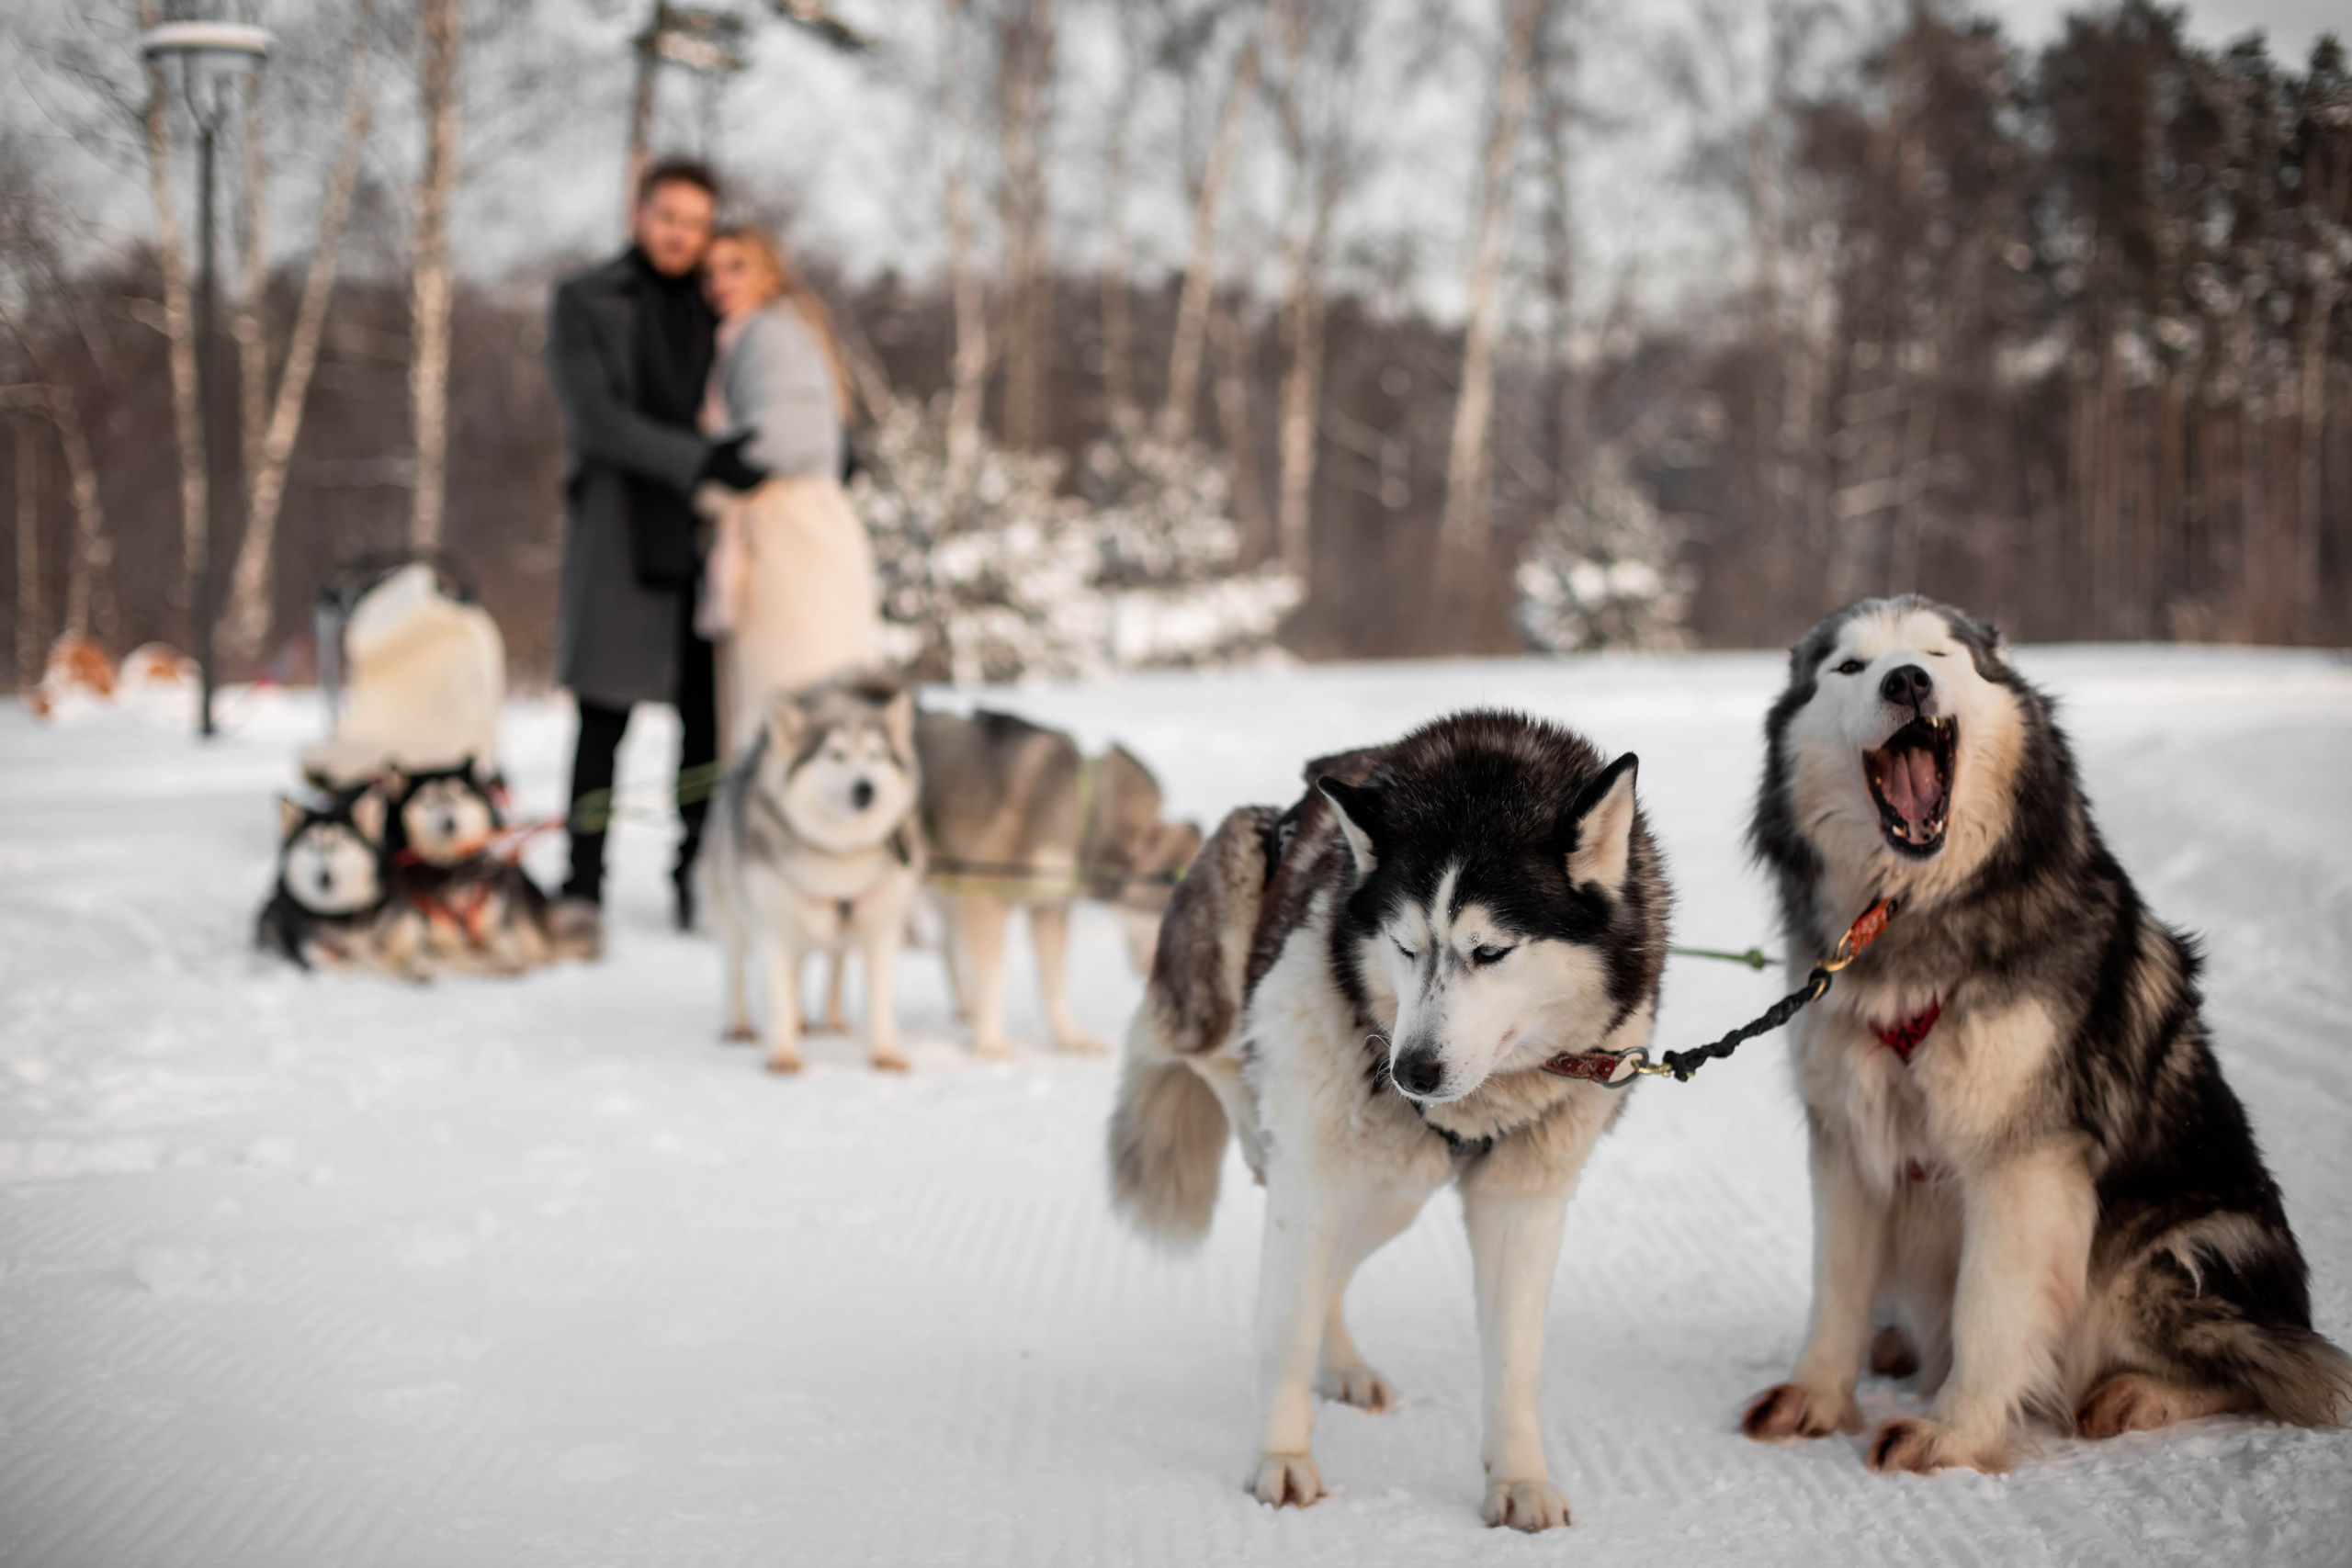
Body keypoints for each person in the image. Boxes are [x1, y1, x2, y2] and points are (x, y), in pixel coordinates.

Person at [545, 158, 765, 935]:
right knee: (603, 718)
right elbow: (597, 419)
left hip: (704, 540)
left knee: (704, 723)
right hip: (620, 531)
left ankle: (694, 877)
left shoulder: (719, 302)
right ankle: (582, 883)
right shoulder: (585, 299)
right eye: (669, 216)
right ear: (639, 213)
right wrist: (700, 460)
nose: (681, 234)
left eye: (696, 223)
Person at [694, 226, 880, 750]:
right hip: (796, 528)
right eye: (709, 273)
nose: (719, 283)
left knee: (786, 697)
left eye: (736, 267)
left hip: (789, 537)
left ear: (769, 274)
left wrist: (705, 480)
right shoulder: (776, 331)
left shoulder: (767, 331)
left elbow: (784, 437)